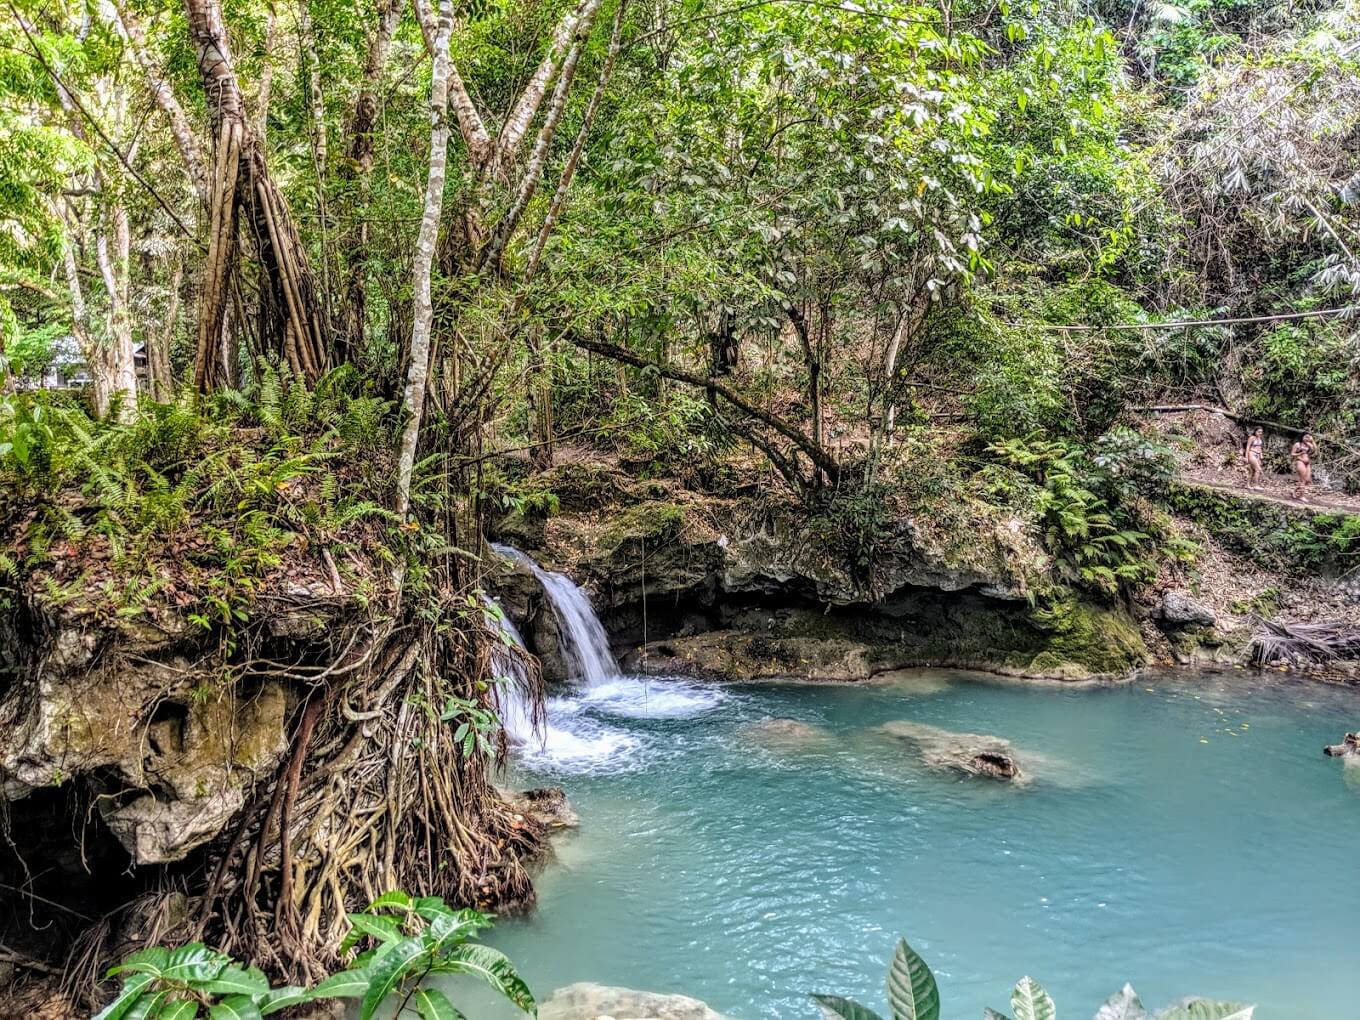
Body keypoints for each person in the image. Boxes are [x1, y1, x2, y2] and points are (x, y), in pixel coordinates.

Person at [1290, 432, 1317, 502]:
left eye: (1309, 437)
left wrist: (1312, 441)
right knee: (1303, 480)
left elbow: (1315, 450)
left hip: (1307, 463)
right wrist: (1300, 453)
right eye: (1306, 437)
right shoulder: (1297, 444)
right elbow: (1292, 454)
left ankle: (1295, 491)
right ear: (1302, 437)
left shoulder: (1309, 445)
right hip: (1300, 462)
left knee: (1307, 480)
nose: (1307, 439)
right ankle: (1301, 496)